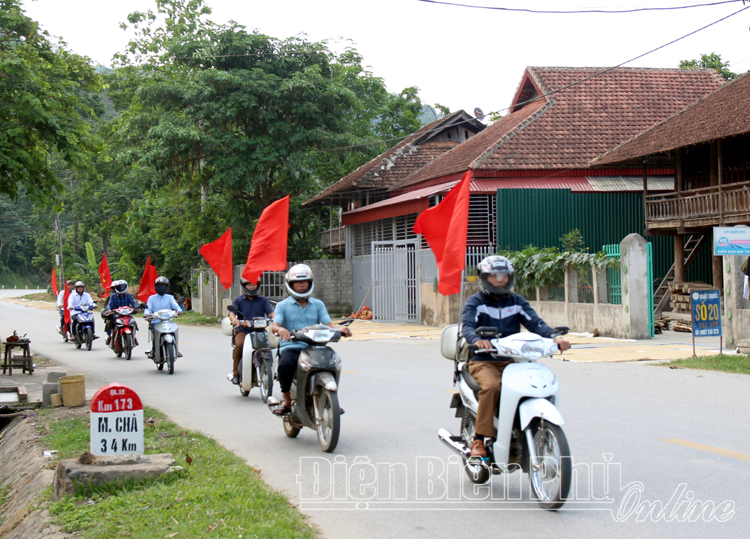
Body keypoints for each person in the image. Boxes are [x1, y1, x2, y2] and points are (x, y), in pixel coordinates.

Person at [461, 255, 570, 460]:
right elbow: (467, 326)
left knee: (534, 384)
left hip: (515, 361)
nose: (500, 280)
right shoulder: (475, 302)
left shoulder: (517, 302)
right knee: (492, 387)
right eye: (495, 275)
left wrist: (555, 338)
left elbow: (536, 324)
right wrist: (476, 339)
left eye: (504, 275)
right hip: (485, 361)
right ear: (485, 278)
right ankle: (479, 439)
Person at [270, 264, 351, 416]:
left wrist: (340, 330)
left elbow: (329, 324)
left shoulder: (318, 304)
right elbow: (275, 326)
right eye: (297, 282)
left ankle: (331, 398)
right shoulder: (282, 306)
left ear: (310, 282)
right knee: (285, 365)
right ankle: (286, 400)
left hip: (316, 347)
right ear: (290, 284)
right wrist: (281, 330)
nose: (301, 285)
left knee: (333, 363)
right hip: (292, 347)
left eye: (304, 281)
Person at [228, 277, 274, 385]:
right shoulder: (238, 300)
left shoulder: (263, 300)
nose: (251, 287)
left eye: (254, 284)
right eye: (249, 285)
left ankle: (269, 368)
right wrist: (234, 319)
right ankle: (236, 374)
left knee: (271, 345)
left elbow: (271, 313)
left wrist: (275, 319)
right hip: (244, 330)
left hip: (260, 331)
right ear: (244, 286)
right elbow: (232, 313)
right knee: (239, 345)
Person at [143, 276, 183, 358]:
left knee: (175, 330)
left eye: (164, 285)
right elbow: (148, 308)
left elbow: (175, 306)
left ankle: (175, 349)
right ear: (156, 286)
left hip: (168, 321)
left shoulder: (170, 297)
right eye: (159, 285)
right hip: (156, 322)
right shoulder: (152, 298)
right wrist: (147, 314)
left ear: (167, 286)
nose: (161, 287)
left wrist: (179, 310)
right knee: (155, 333)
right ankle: (154, 351)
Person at [104, 280, 140, 345]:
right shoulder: (113, 296)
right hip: (116, 315)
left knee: (133, 323)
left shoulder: (128, 295)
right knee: (109, 323)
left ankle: (133, 338)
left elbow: (134, 303)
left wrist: (137, 308)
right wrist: (109, 310)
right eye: (119, 287)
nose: (121, 288)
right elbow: (109, 304)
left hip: (127, 315)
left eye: (122, 287)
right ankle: (110, 337)